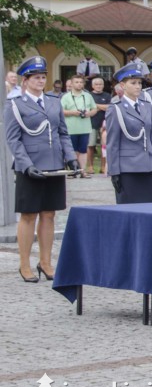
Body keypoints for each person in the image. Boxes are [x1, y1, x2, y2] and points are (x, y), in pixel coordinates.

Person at [4, 56, 78, 282]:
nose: (40, 81)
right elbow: (13, 140)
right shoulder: (15, 105)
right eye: (36, 77)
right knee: (28, 215)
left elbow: (62, 133)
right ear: (25, 81)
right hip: (31, 167)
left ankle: (45, 262)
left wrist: (71, 158)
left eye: (43, 77)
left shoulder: (54, 101)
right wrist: (26, 166)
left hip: (54, 165)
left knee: (49, 214)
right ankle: (24, 264)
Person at [106, 64, 152, 204]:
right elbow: (112, 143)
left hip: (148, 165)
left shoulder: (146, 106)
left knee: (148, 210)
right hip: (128, 168)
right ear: (123, 85)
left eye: (140, 83)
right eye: (133, 83)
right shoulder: (116, 109)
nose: (138, 86)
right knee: (129, 211)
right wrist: (114, 171)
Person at [60, 74, 96, 177]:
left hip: (85, 128)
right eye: (76, 82)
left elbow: (94, 108)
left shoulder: (88, 96)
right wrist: (72, 112)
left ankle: (82, 170)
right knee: (72, 150)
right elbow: (60, 111)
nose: (79, 84)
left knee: (83, 150)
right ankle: (73, 170)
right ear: (71, 83)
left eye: (81, 82)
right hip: (71, 128)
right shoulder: (66, 97)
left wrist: (89, 113)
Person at [86, 76, 111, 176]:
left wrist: (96, 106)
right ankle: (90, 166)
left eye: (100, 84)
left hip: (105, 124)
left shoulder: (108, 95)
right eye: (96, 84)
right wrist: (102, 107)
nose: (98, 86)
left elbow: (110, 107)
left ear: (103, 85)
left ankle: (103, 166)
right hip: (91, 124)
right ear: (92, 86)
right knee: (90, 145)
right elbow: (88, 108)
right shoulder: (88, 95)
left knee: (104, 146)